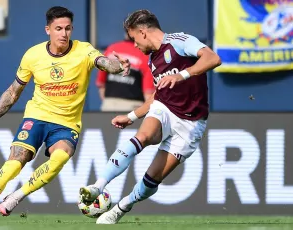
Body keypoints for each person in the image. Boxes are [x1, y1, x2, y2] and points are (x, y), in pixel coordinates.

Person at [0, 6, 130, 224]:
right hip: (36, 117)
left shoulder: (83, 50)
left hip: (66, 123)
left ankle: (17, 196)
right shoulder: (33, 55)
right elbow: (13, 92)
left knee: (60, 158)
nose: (64, 34)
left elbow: (104, 62)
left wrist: (117, 66)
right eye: (58, 28)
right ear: (48, 29)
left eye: (68, 28)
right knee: (13, 164)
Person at [79, 9, 221, 224]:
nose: (134, 45)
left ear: (143, 32)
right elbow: (157, 95)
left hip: (191, 123)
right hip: (165, 108)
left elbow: (213, 58)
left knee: (151, 179)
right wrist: (131, 116)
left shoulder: (181, 42)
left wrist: (181, 74)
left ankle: (121, 207)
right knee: (143, 137)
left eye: (134, 39)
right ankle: (97, 186)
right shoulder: (152, 61)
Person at [96, 33, 154, 111]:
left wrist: (108, 102)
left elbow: (101, 84)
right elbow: (148, 93)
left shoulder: (111, 49)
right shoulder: (145, 55)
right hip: (133, 107)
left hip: (109, 104)